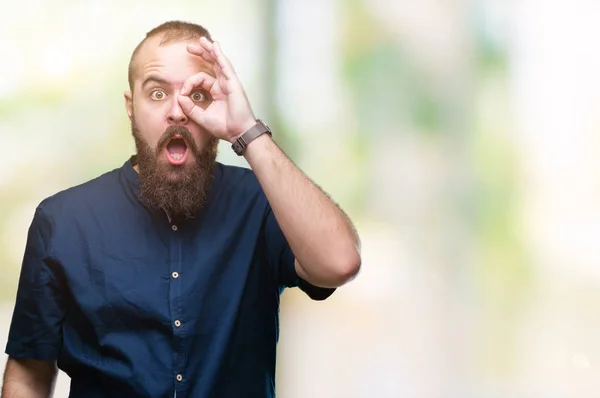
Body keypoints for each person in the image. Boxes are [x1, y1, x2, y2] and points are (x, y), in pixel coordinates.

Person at [1, 20, 361, 398]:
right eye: (157, 94)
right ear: (131, 107)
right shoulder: (63, 221)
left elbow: (339, 263)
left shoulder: (264, 204)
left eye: (198, 95)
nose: (177, 112)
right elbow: (29, 374)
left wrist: (247, 130)